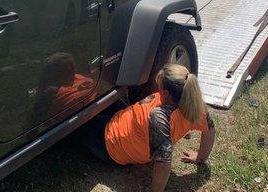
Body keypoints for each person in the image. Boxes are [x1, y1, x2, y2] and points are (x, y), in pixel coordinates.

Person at [81, 63, 215, 192]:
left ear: (167, 93)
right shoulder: (194, 105)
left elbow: (163, 165)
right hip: (122, 121)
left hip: (110, 143)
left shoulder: (160, 118)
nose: (158, 88)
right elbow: (209, 131)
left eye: (160, 87)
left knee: (79, 124)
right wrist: (200, 158)